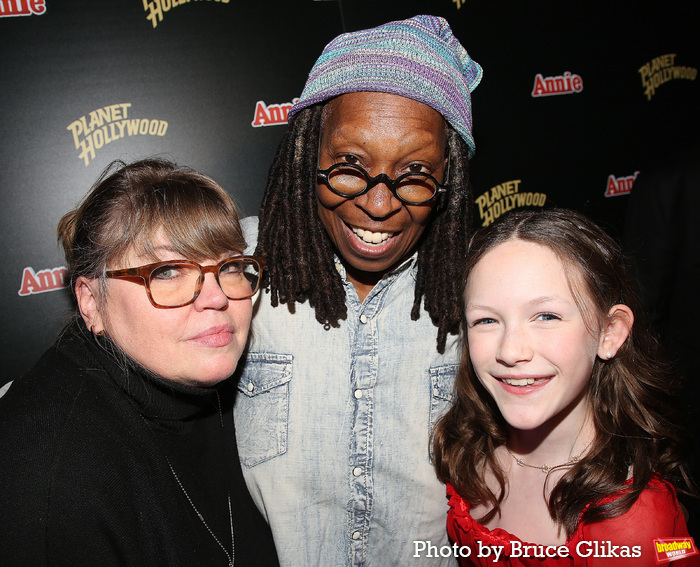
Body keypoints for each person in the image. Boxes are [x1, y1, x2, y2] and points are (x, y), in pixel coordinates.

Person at [234, 15, 482, 567]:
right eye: (348, 166)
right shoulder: (235, 270)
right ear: (307, 154)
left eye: (415, 172)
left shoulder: (482, 288)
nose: (377, 205)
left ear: (451, 179)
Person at [0, 158, 279, 567]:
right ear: (91, 302)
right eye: (167, 271)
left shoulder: (207, 381)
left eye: (230, 265)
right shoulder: (50, 477)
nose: (217, 297)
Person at [433, 208, 697, 566]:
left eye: (547, 316)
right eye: (486, 319)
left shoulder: (634, 525)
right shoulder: (468, 444)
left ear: (610, 332)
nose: (511, 351)